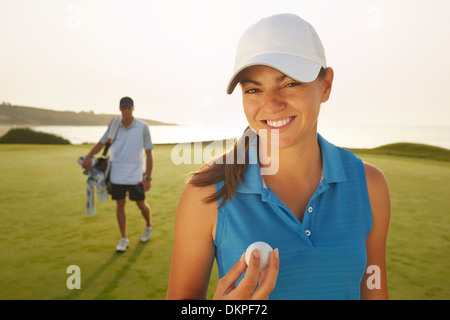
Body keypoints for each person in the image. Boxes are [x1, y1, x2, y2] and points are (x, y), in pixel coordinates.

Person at [166, 14, 390, 299]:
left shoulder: (370, 185)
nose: (271, 104)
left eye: (290, 83)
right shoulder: (206, 192)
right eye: (253, 89)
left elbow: (373, 289)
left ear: (326, 85)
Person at [82, 96, 154, 252]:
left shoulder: (142, 127)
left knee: (141, 204)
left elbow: (149, 154)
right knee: (120, 204)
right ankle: (123, 238)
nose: (126, 111)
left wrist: (148, 177)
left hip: (136, 174)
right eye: (123, 108)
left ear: (133, 108)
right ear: (120, 109)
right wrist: (88, 156)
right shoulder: (114, 126)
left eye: (128, 108)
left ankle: (148, 226)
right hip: (117, 173)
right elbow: (101, 144)